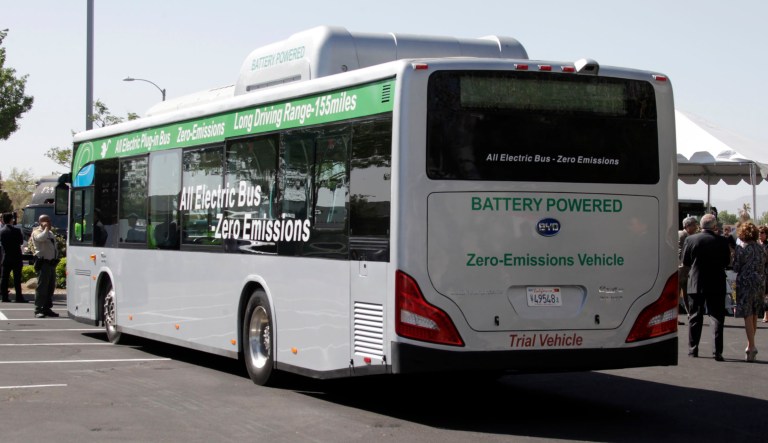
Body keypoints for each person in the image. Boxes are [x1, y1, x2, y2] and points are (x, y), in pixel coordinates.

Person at [682, 213, 731, 361]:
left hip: (697, 283)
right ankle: (717, 352)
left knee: (695, 316)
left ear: (700, 226)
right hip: (717, 283)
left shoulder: (691, 239)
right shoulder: (722, 241)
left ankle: (693, 349)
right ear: (715, 226)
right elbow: (726, 262)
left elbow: (685, 261)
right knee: (717, 317)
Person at [732, 222, 766, 362]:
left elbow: (736, 267)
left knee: (747, 314)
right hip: (759, 282)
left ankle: (751, 346)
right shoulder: (761, 248)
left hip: (745, 283)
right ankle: (750, 345)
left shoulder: (741, 248)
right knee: (755, 313)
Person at [31, 214, 59, 318]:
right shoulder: (37, 232)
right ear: (41, 222)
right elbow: (41, 238)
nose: (49, 223)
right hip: (43, 263)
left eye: (49, 220)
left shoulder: (50, 233)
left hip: (51, 263)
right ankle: (38, 309)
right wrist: (46, 228)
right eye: (46, 221)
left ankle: (47, 308)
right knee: (42, 287)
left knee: (50, 287)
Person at [0, 212, 27, 303]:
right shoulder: (17, 231)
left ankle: (4, 296)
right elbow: (21, 242)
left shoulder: (1, 231)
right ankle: (18, 297)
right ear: (11, 220)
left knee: (4, 278)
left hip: (6, 256)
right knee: (17, 278)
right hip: (16, 257)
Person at [678, 216, 699, 312]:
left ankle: (689, 313)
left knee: (686, 292)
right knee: (679, 293)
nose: (696, 227)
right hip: (682, 269)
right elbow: (680, 251)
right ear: (687, 226)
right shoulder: (683, 235)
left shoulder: (687, 235)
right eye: (694, 225)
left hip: (684, 269)